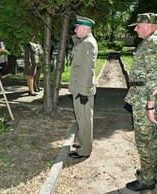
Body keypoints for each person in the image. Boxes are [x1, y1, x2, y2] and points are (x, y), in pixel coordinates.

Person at [124, 13, 157, 192]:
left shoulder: (153, 44)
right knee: (145, 138)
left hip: (146, 99)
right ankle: (147, 171)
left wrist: (151, 105)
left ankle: (148, 180)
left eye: (138, 25)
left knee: (146, 140)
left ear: (149, 25)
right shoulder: (152, 41)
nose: (135, 29)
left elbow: (155, 78)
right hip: (142, 96)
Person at [68, 15, 98, 159]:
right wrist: (74, 36)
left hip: (82, 89)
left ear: (85, 29)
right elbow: (77, 50)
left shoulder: (88, 44)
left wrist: (85, 91)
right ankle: (83, 143)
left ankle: (84, 150)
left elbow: (88, 70)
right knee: (81, 118)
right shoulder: (84, 41)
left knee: (85, 119)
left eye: (77, 27)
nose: (75, 30)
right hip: (79, 87)